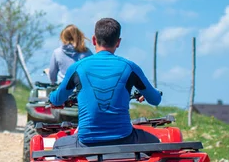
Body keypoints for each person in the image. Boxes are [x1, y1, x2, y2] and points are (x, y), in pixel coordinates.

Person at [49, 18, 162, 149]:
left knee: (57, 145)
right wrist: (149, 94)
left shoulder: (77, 67)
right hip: (125, 139)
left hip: (86, 142)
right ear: (118, 42)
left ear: (93, 40)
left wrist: (51, 97)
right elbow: (155, 100)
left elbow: (57, 100)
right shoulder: (130, 67)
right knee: (156, 143)